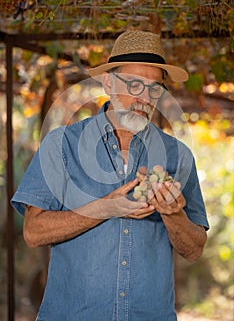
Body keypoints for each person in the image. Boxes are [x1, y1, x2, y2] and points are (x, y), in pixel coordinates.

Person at [12, 30, 209, 321]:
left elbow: (193, 249)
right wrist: (103, 208)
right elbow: (33, 232)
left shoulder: (177, 155)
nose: (145, 98)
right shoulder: (61, 144)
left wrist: (173, 215)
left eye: (154, 88)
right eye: (135, 85)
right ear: (108, 82)